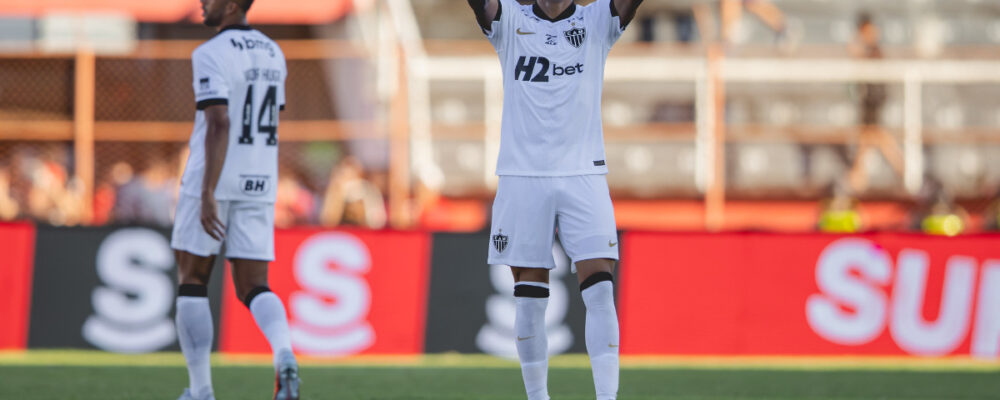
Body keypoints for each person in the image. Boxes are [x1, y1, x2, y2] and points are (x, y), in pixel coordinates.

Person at [466, 0, 643, 399]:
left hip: (584, 173)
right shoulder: (509, 19)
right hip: (522, 176)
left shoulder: (597, 20)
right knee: (529, 299)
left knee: (599, 288)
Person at [170, 0, 298, 399]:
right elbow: (271, 116)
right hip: (260, 178)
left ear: (229, 4)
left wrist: (207, 191)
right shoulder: (273, 52)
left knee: (192, 280)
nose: (202, 4)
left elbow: (220, 121)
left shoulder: (209, 53)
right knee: (255, 286)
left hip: (213, 178)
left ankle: (201, 390)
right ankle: (285, 354)